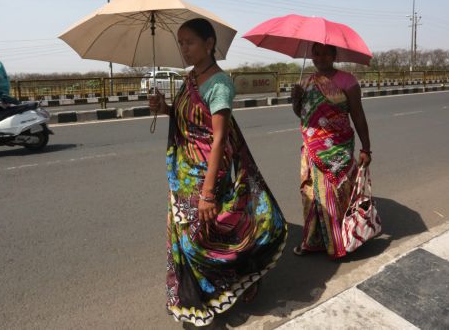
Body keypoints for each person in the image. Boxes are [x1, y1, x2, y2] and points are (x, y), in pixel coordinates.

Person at [149, 18, 287, 327]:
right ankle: (199, 294)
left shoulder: (219, 84)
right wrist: (165, 108)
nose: (184, 49)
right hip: (184, 173)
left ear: (209, 44)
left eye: (190, 42)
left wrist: (209, 193)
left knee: (204, 235)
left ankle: (242, 274)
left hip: (206, 173)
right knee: (187, 234)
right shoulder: (190, 79)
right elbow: (187, 120)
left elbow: (219, 138)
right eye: (181, 43)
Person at [290, 43, 371, 259]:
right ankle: (313, 240)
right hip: (311, 147)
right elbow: (303, 114)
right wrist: (296, 99)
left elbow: (358, 115)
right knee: (310, 194)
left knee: (333, 194)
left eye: (325, 53)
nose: (320, 57)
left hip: (338, 146)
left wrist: (366, 148)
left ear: (334, 55)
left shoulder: (347, 81)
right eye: (316, 53)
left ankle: (339, 242)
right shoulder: (306, 82)